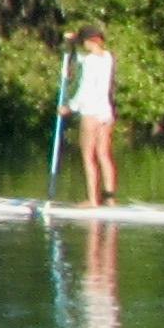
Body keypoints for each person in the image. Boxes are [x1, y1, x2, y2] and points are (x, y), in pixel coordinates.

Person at [64, 25, 119, 206]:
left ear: (89, 41)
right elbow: (79, 59)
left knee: (88, 156)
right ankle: (110, 199)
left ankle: (93, 200)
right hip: (106, 112)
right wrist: (71, 44)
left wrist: (69, 107)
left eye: (83, 42)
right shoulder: (108, 58)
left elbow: (84, 89)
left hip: (91, 112)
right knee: (104, 154)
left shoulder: (89, 62)